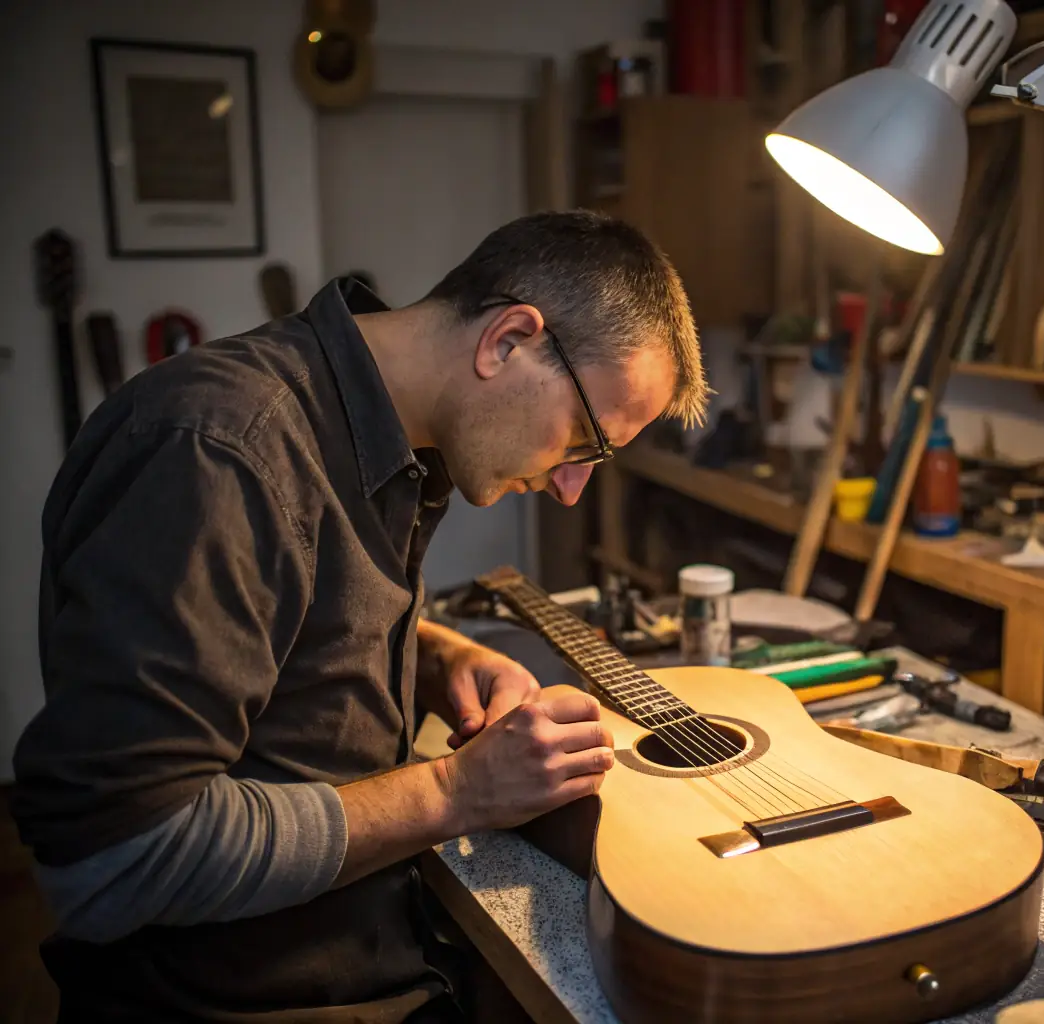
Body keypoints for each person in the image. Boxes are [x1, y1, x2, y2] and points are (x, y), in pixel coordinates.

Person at [13, 210, 707, 1022]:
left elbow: (291, 627)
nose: (570, 488)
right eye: (585, 441)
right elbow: (111, 861)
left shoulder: (385, 436)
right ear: (507, 340)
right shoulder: (215, 453)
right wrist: (456, 790)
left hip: (389, 945)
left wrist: (435, 655)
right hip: (239, 1000)